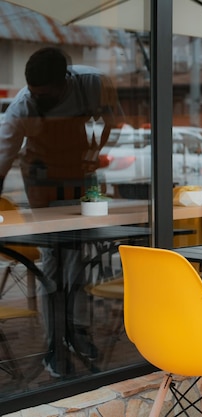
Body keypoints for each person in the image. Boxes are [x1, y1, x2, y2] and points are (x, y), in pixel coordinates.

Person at [0, 47, 123, 376]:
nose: (38, 98)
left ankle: (77, 330)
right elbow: (4, 155)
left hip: (77, 172)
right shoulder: (23, 106)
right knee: (52, 259)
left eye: (45, 93)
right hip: (40, 178)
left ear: (63, 81)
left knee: (77, 254)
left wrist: (96, 152)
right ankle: (53, 342)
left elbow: (114, 121)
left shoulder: (92, 84)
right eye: (34, 93)